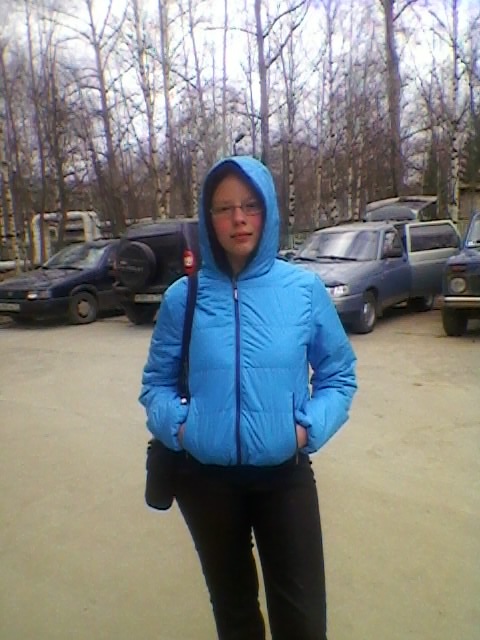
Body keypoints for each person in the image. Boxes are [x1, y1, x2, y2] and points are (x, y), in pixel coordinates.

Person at [139, 156, 357, 640]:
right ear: (208, 218)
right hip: (206, 481)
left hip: (284, 475)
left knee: (302, 619)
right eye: (224, 208)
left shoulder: (303, 290)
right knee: (234, 612)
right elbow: (155, 383)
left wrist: (305, 429)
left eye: (250, 205)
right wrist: (182, 429)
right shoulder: (183, 297)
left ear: (268, 211)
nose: (238, 219)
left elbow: (339, 375)